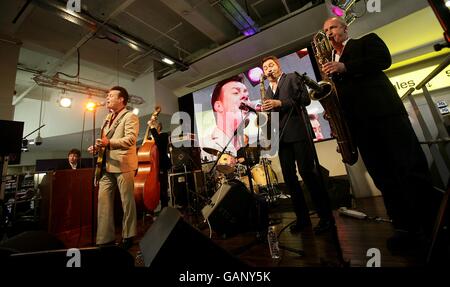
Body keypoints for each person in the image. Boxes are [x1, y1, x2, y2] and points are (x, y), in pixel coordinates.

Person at [321, 17, 437, 254]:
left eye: (332, 27)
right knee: (383, 177)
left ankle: (433, 224)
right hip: (360, 127)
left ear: (345, 28)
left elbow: (384, 60)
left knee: (410, 169)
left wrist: (346, 67)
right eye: (325, 31)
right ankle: (404, 229)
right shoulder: (329, 62)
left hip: (386, 116)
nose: (329, 32)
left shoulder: (366, 41)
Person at [261, 55, 334, 234]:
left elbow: (306, 101)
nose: (268, 69)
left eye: (271, 65)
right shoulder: (267, 89)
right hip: (282, 139)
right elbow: (275, 114)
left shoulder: (292, 77)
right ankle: (303, 219)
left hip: (299, 133)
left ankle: (326, 218)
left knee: (308, 174)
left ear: (278, 66)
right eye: (265, 68)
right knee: (290, 179)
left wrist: (280, 102)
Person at [88, 86, 138, 250]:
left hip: (123, 165)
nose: (107, 98)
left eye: (111, 95)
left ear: (122, 99)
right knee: (103, 202)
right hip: (106, 166)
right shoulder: (107, 118)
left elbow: (130, 139)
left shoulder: (130, 116)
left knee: (127, 202)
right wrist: (97, 147)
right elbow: (105, 140)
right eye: (107, 96)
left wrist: (109, 143)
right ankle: (104, 238)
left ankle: (129, 235)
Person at [201, 75, 249, 161]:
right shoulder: (206, 144)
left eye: (246, 93)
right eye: (235, 93)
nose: (245, 97)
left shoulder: (243, 143)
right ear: (219, 106)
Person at [147, 118, 172, 210]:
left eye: (154, 124)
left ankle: (164, 207)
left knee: (163, 188)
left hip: (161, 165)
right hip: (152, 167)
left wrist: (152, 128)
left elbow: (160, 145)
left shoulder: (164, 136)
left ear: (159, 127)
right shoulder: (151, 139)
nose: (153, 125)